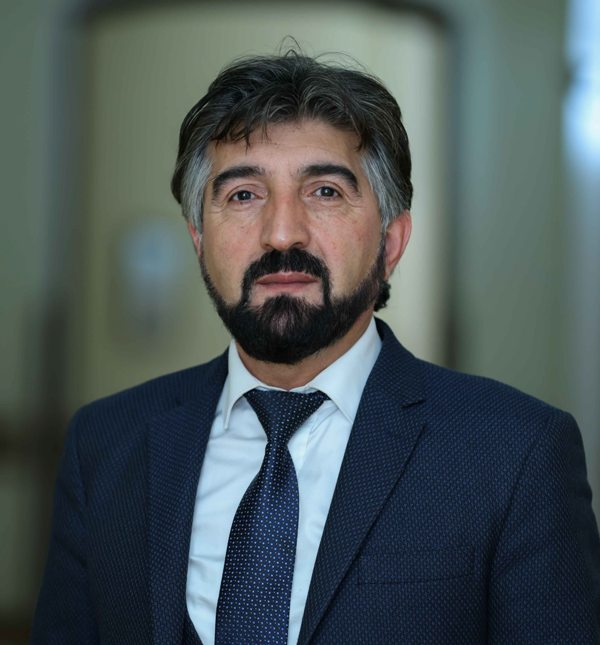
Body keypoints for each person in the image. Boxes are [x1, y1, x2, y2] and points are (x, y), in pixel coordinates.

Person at [32, 50, 600, 644]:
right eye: (243, 195)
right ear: (199, 240)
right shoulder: (106, 445)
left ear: (391, 243)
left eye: (325, 191)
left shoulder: (515, 453)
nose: (282, 233)